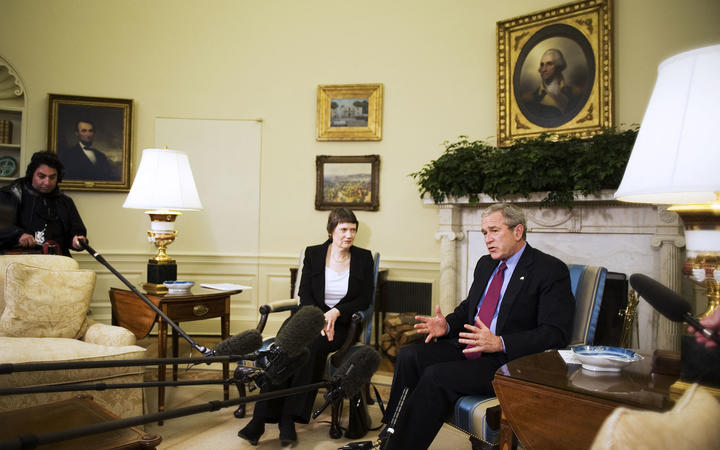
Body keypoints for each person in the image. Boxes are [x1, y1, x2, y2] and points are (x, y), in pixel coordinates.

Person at [380, 203, 575, 449]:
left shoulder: (549, 270)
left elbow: (555, 333)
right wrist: (447, 326)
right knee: (410, 355)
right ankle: (390, 432)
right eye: (484, 233)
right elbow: (468, 308)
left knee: (435, 376)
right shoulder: (486, 264)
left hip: (507, 360)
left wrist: (500, 342)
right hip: (470, 346)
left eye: (494, 230)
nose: (488, 239)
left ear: (518, 231)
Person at [238, 207, 375, 447]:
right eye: (343, 229)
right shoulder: (314, 253)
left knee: (309, 349)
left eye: (353, 230)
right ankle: (260, 419)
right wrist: (320, 317)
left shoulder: (363, 258)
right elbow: (304, 294)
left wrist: (336, 312)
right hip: (308, 317)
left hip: (340, 327)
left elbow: (364, 299)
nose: (349, 235)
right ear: (331, 230)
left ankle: (287, 418)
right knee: (283, 349)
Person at [0, 151, 87, 257]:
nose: (47, 182)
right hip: (19, 262)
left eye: (52, 177)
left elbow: (77, 233)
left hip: (57, 261)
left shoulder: (65, 202)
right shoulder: (11, 194)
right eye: (41, 176)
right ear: (31, 174)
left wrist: (77, 241)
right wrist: (18, 235)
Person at [520, 48, 583, 127]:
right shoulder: (529, 98)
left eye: (549, 64)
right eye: (542, 65)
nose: (543, 69)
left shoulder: (576, 92)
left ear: (559, 67)